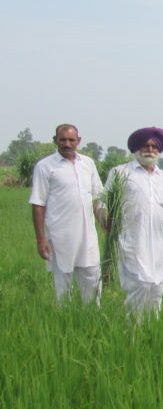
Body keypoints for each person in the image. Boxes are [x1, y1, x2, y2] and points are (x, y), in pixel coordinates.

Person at [102, 127, 163, 317]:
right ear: (136, 148)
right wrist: (107, 229)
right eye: (145, 146)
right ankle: (132, 332)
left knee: (157, 286)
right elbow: (102, 204)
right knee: (139, 285)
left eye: (154, 146)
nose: (150, 150)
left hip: (157, 243)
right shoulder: (120, 173)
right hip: (130, 240)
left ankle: (151, 329)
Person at [29, 124, 103, 304]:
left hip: (88, 235)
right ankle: (65, 317)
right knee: (63, 283)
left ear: (78, 141)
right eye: (62, 140)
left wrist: (105, 224)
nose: (67, 144)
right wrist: (40, 239)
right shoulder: (45, 166)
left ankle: (93, 318)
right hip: (60, 235)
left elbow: (97, 198)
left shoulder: (88, 164)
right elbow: (38, 204)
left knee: (92, 279)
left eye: (71, 140)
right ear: (55, 140)